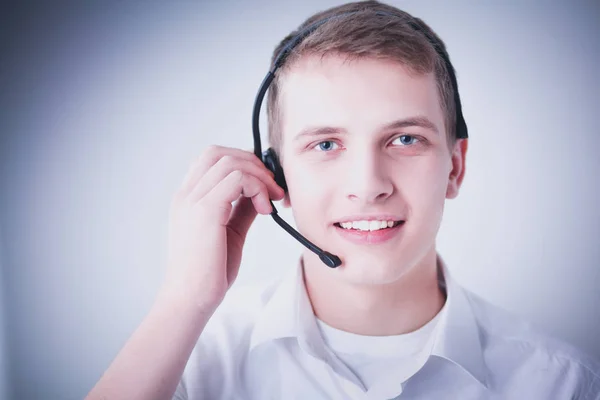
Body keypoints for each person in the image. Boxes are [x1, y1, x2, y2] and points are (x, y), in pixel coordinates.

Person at [86, 1, 600, 399]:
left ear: (455, 166)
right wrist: (185, 300)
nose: (369, 184)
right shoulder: (191, 364)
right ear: (274, 174)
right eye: (326, 144)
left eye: (404, 139)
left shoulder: (561, 382)